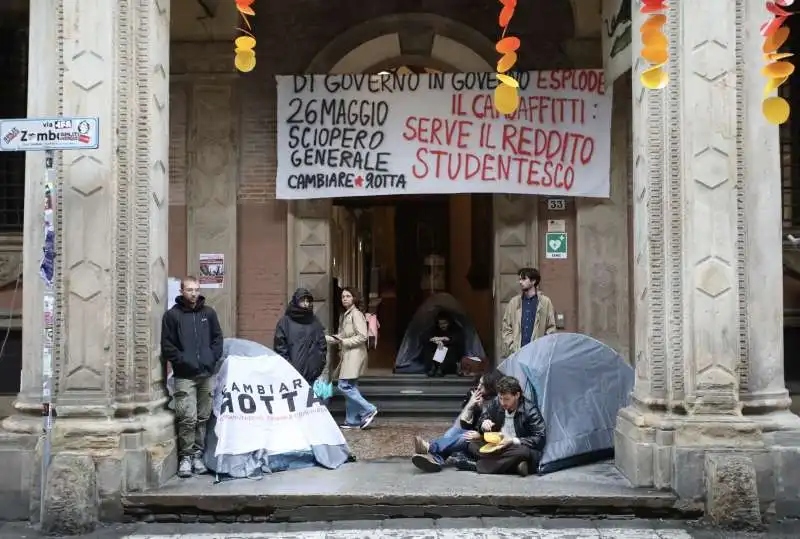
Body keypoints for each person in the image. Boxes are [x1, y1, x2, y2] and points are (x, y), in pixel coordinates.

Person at [161, 276, 224, 478]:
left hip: (206, 374)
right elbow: (167, 346)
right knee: (187, 417)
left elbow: (217, 339)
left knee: (203, 417)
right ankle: (185, 458)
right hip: (185, 376)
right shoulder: (172, 316)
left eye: (197, 289)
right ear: (182, 291)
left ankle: (197, 455)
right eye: (190, 290)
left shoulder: (209, 313)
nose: (194, 293)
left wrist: (211, 359)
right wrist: (183, 361)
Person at [411, 369, 503, 473]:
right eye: (479, 383)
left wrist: (480, 430)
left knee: (464, 436)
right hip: (470, 436)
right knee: (453, 432)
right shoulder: (475, 394)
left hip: (482, 440)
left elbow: (494, 430)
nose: (478, 387)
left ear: (491, 387)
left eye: (482, 385)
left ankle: (430, 446)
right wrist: (470, 405)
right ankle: (436, 459)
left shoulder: (498, 403)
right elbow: (461, 424)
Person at [465, 376, 546, 477]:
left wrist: (513, 440)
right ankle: (515, 466)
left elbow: (540, 438)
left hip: (516, 447)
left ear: (517, 395)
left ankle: (477, 466)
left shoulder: (530, 410)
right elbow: (482, 419)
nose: (503, 403)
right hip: (498, 445)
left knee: (523, 452)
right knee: (472, 444)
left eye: (507, 399)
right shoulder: (497, 402)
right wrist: (483, 423)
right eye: (501, 398)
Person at [327, 287, 378, 429]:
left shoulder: (356, 314)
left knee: (344, 386)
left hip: (355, 355)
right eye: (343, 296)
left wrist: (344, 342)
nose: (345, 299)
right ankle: (352, 420)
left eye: (348, 296)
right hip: (349, 355)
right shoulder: (346, 315)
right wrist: (327, 338)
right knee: (351, 386)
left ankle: (368, 409)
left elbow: (362, 336)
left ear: (354, 298)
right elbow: (342, 335)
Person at [273, 288, 328, 385]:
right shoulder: (285, 322)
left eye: (308, 301)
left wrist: (319, 366)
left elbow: (322, 345)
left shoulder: (315, 321)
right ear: (296, 301)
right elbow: (280, 348)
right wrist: (289, 368)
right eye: (303, 301)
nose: (306, 304)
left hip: (312, 376)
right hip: (291, 377)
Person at [501, 267, 556, 358]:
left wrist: (543, 348)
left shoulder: (545, 302)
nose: (520, 282)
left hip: (537, 355)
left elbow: (551, 329)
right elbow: (506, 327)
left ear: (533, 281)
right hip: (517, 353)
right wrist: (513, 346)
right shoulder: (514, 303)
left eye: (524, 279)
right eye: (519, 279)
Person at [424, 312, 464, 377]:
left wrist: (443, 340)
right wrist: (436, 340)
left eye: (445, 323)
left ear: (449, 322)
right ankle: (436, 368)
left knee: (445, 348)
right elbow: (425, 337)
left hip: (452, 352)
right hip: (437, 349)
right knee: (433, 347)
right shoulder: (435, 329)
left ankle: (438, 368)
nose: (442, 326)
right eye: (440, 324)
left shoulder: (455, 329)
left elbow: (456, 339)